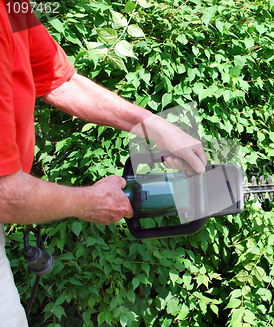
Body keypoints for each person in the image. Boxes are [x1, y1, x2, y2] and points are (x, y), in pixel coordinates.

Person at [0, 0, 207, 325]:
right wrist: (86, 202)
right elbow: (5, 195)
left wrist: (156, 126)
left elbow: (59, 80)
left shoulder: (12, 10)